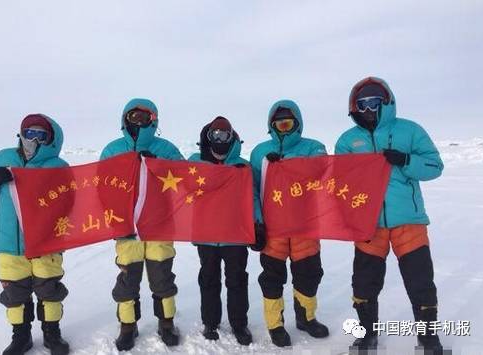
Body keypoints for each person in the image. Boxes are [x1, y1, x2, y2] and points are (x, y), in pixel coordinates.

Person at [335, 77, 444, 353]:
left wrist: (406, 161)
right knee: (364, 283)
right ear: (354, 107)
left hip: (409, 221)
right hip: (368, 225)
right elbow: (339, 181)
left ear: (386, 103)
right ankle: (367, 335)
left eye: (375, 102)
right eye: (363, 104)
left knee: (420, 282)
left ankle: (428, 337)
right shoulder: (347, 141)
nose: (369, 108)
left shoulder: (409, 131)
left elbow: (434, 166)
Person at [0, 114, 70, 355]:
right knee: (15, 292)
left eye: (41, 134)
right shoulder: (5, 157)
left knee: (49, 290)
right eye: (30, 133)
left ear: (51, 138)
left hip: (46, 242)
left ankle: (52, 333)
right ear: (21, 134)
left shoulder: (57, 166)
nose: (34, 139)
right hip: (9, 242)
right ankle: (21, 336)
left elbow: (71, 200)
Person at [100, 98, 184, 351]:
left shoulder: (166, 148)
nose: (138, 121)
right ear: (125, 118)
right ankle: (127, 326)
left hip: (160, 224)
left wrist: (159, 164)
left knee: (162, 277)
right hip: (126, 227)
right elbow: (100, 186)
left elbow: (185, 179)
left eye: (143, 117)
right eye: (133, 116)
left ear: (153, 120)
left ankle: (166, 323)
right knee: (128, 277)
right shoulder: (112, 150)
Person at [250, 100, 329, 347]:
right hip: (273, 229)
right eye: (279, 124)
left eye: (288, 123)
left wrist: (287, 165)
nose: (284, 128)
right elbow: (251, 190)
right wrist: (257, 223)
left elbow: (321, 170)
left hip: (305, 226)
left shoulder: (314, 147)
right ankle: (275, 324)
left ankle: (306, 318)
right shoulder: (259, 152)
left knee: (309, 275)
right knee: (272, 278)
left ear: (297, 124)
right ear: (271, 126)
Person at [188, 116, 253, 345]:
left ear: (231, 137)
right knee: (208, 279)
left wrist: (257, 224)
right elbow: (183, 190)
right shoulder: (195, 163)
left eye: (224, 135)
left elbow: (252, 198)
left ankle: (239, 323)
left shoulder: (243, 166)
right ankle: (210, 322)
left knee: (236, 280)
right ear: (208, 137)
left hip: (235, 235)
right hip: (206, 234)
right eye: (215, 135)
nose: (219, 139)